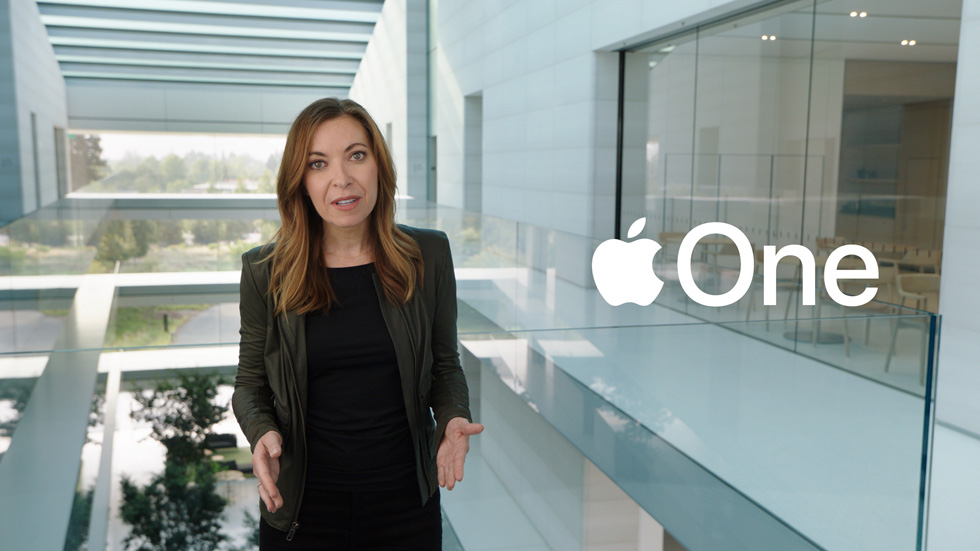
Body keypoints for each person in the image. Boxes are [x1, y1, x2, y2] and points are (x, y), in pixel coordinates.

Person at [233, 97, 483, 550]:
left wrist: (453, 418)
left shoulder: (427, 255)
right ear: (300, 182)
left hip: (405, 505)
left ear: (378, 167)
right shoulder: (264, 271)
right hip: (302, 509)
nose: (341, 178)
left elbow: (446, 364)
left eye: (356, 155)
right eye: (318, 163)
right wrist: (262, 432)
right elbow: (249, 384)